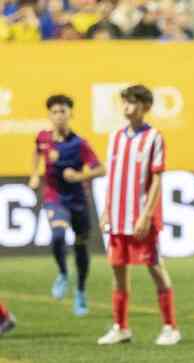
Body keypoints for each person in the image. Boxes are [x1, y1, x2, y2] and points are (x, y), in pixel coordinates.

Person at [96, 84, 180, 346]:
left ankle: (170, 327)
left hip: (140, 218)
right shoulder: (115, 137)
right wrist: (106, 209)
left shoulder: (154, 137)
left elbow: (157, 180)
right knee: (117, 270)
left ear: (145, 107)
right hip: (118, 218)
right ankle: (121, 327)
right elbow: (113, 178)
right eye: (124, 102)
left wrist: (146, 215)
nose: (127, 107)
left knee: (155, 267)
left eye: (132, 102)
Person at [29, 94, 105, 317]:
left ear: (70, 114)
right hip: (55, 198)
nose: (59, 116)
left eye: (63, 111)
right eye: (54, 112)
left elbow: (101, 169)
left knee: (81, 249)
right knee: (58, 236)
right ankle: (63, 273)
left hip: (79, 202)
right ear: (49, 115)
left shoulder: (79, 144)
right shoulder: (43, 138)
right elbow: (37, 152)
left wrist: (80, 175)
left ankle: (80, 291)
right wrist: (34, 174)